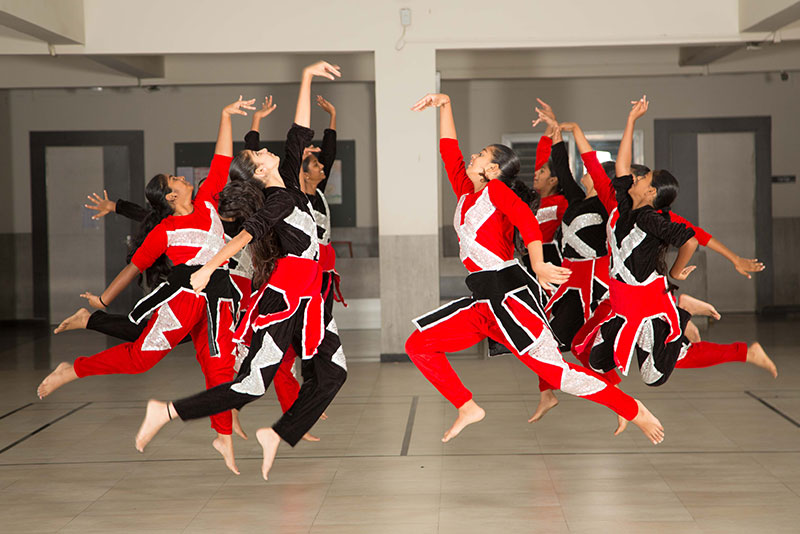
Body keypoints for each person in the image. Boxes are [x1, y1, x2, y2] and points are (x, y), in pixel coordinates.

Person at [404, 92, 666, 446]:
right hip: (483, 299)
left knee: (559, 375)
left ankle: (632, 408)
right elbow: (449, 153)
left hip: (510, 296)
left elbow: (526, 220)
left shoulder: (497, 191)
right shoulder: (468, 194)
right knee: (419, 344)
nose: (473, 155)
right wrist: (446, 104)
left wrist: (540, 262)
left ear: (493, 169)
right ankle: (466, 406)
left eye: (480, 154)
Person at [134, 61, 348, 482]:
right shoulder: (276, 201)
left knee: (334, 373)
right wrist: (208, 267)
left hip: (312, 296)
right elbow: (243, 238)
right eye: (258, 154)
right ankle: (168, 410)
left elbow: (298, 131)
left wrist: (305, 76)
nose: (265, 150)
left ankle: (280, 433)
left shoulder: (286, 175)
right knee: (251, 386)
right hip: (285, 299)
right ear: (259, 171)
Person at [37, 96, 256, 474]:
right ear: (171, 197)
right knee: (140, 360)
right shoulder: (165, 230)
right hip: (185, 301)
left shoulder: (207, 202)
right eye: (175, 179)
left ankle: (222, 432)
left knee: (219, 366)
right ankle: (72, 370)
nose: (182, 178)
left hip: (219, 298)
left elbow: (221, 160)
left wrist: (224, 116)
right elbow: (134, 267)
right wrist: (103, 299)